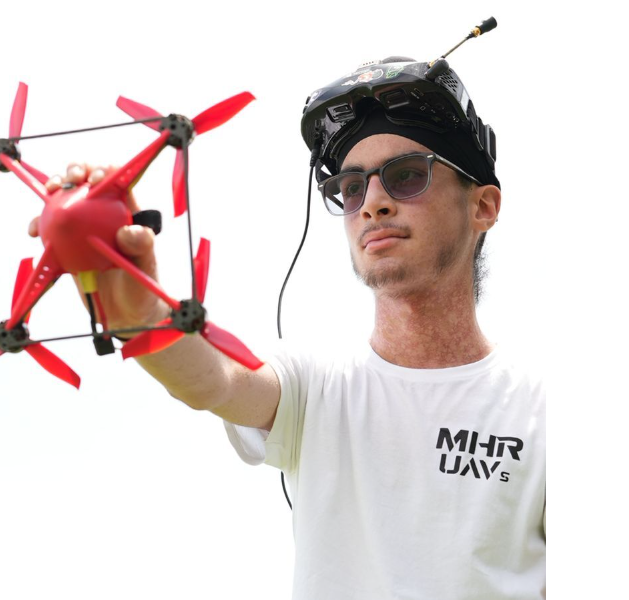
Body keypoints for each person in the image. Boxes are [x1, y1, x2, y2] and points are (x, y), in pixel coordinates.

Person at [30, 58, 546, 600]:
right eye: (351, 187)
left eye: (407, 176)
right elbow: (216, 381)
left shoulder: (534, 405)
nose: (372, 204)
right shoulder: (316, 383)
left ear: (483, 206)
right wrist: (140, 313)